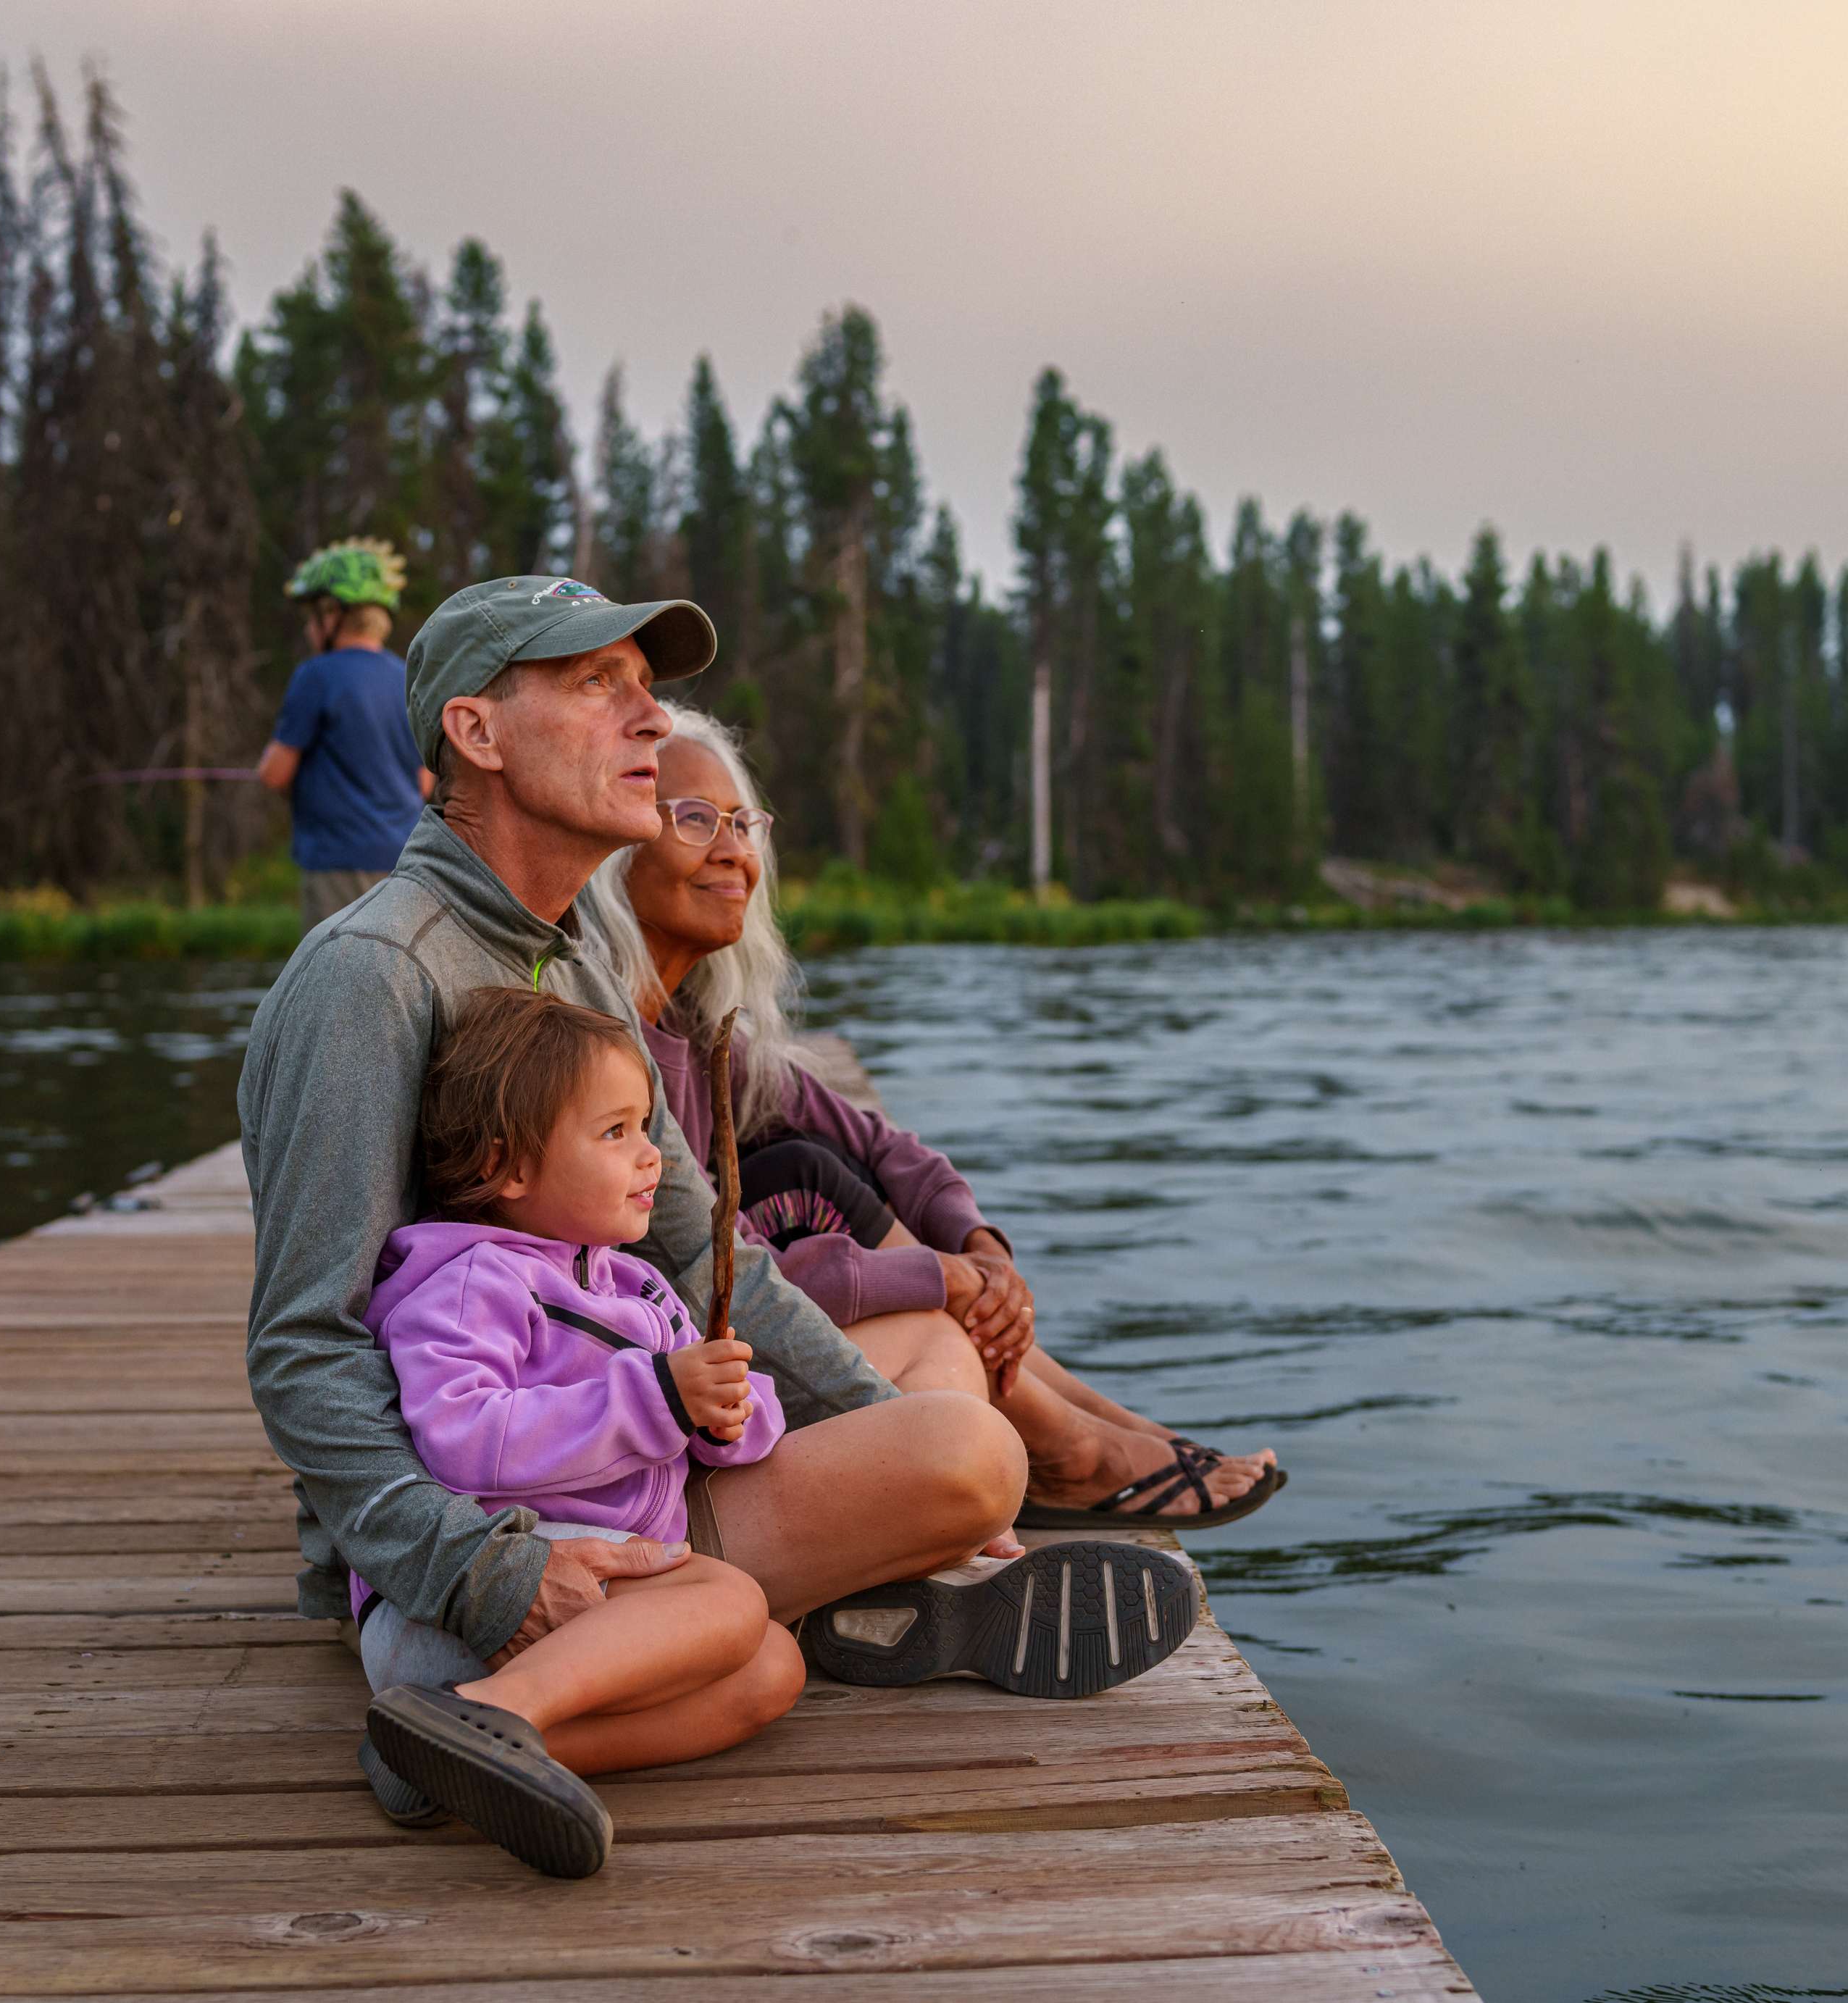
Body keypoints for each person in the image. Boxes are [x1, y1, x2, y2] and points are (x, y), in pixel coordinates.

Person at [236, 574, 1196, 1833]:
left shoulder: (570, 946)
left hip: (616, 1465)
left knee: (911, 1430)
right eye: (596, 686)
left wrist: (870, 1439)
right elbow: (305, 1348)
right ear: (475, 734)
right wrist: (479, 1569)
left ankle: (821, 1605)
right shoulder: (372, 980)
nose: (649, 721)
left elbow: (692, 1238)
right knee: (966, 1453)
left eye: (648, 687)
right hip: (482, 1539)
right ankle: (490, 1691)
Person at [581, 708, 1285, 1529]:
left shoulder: (700, 1027)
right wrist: (940, 1276)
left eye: (744, 823)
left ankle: (1096, 1427)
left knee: (810, 1165)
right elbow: (691, 1280)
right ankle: (1067, 1451)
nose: (736, 850)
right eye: (696, 818)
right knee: (932, 1329)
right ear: (615, 841)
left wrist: (980, 1248)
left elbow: (884, 1146)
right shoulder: (607, 1051)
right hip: (664, 1395)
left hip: (729, 1354)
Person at [357, 986, 801, 1878]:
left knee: (772, 1670)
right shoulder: (471, 1280)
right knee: (732, 1603)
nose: (649, 1156)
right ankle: (488, 1708)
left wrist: (724, 1411)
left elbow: (717, 1417)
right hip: (475, 1594)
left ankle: (444, 1753)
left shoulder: (637, 1291)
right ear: (506, 1167)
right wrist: (660, 1400)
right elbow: (460, 1435)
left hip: (588, 1602)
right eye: (615, 1133)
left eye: (647, 1125)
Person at [256, 538, 433, 928]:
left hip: (338, 863)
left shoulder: (315, 676)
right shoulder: (408, 679)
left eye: (311, 617)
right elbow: (425, 780)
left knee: (334, 979)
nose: (308, 628)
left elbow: (275, 773)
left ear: (333, 613)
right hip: (406, 863)